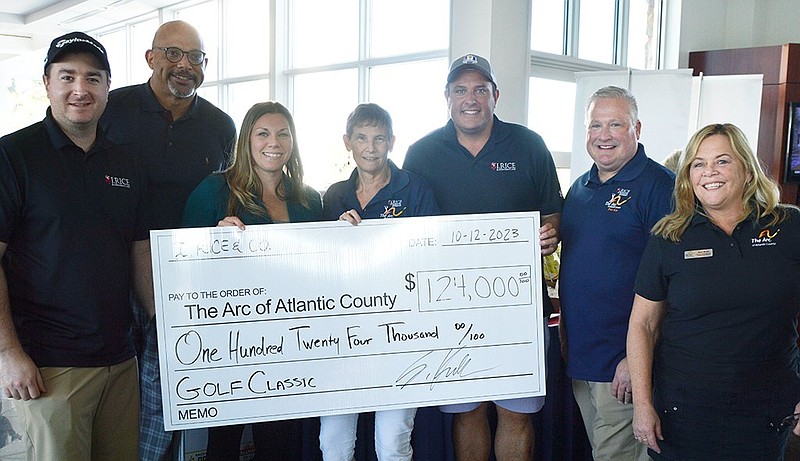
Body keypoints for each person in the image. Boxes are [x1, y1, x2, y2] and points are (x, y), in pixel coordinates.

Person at [0, 31, 153, 460]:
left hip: (122, 362)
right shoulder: (13, 156)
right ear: (46, 82)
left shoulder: (127, 164)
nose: (80, 90)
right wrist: (8, 353)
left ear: (108, 87)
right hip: (49, 367)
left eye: (93, 78)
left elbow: (139, 252)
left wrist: (168, 321)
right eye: (67, 77)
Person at [403, 53, 563, 461]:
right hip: (449, 308)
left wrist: (552, 231)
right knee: (467, 410)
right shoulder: (421, 153)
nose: (470, 99)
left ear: (496, 95)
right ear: (446, 97)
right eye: (460, 90)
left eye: (479, 89)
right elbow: (402, 224)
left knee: (516, 413)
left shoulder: (529, 144)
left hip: (518, 308)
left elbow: (553, 209)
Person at [99, 20, 236, 460]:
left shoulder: (219, 125)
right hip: (112, 273)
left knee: (173, 394)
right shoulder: (111, 110)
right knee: (116, 390)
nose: (185, 66)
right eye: (173, 54)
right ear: (150, 58)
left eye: (195, 58)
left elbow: (230, 193)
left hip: (188, 281)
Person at [627, 123, 800, 460]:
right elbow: (642, 325)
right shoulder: (668, 238)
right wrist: (643, 405)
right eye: (698, 164)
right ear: (688, 176)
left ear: (747, 171)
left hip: (764, 413)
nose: (710, 172)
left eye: (723, 161)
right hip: (681, 414)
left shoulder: (789, 226)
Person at [182, 101, 321, 460]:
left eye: (282, 133)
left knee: (279, 443)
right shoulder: (214, 191)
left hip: (289, 345)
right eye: (263, 133)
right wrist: (210, 239)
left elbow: (322, 269)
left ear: (293, 142)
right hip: (227, 346)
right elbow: (178, 266)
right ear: (247, 140)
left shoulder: (309, 200)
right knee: (223, 445)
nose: (273, 142)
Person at [558, 86, 674, 461]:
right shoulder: (579, 189)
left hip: (624, 364)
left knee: (616, 456)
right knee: (603, 452)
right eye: (595, 125)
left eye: (615, 125)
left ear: (636, 128)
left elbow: (676, 281)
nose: (603, 136)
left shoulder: (661, 187)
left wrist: (635, 358)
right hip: (581, 358)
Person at [319, 103, 439, 461]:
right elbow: (317, 266)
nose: (370, 147)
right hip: (342, 336)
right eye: (361, 138)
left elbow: (432, 255)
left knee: (392, 443)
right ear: (347, 142)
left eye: (379, 139)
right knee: (334, 442)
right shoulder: (333, 195)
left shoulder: (416, 189)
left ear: (392, 142)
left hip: (400, 335)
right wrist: (336, 236)